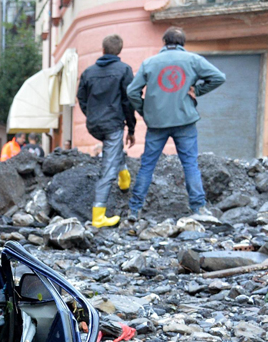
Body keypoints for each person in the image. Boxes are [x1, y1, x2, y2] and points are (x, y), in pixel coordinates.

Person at [126, 26, 226, 221]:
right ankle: (199, 209)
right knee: (190, 164)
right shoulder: (193, 60)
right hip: (185, 121)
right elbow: (218, 77)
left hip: (156, 123)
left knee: (147, 166)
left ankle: (134, 210)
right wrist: (197, 90)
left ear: (164, 42)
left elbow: (131, 92)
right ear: (182, 43)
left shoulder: (149, 63)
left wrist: (145, 110)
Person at [76, 34, 136, 228]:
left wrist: (91, 114)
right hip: (113, 123)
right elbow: (128, 102)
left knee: (113, 147)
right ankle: (98, 215)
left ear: (103, 49)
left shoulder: (88, 72)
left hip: (94, 124)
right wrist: (131, 127)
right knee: (108, 169)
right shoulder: (124, 70)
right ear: (119, 51)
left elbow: (81, 98)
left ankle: (124, 177)